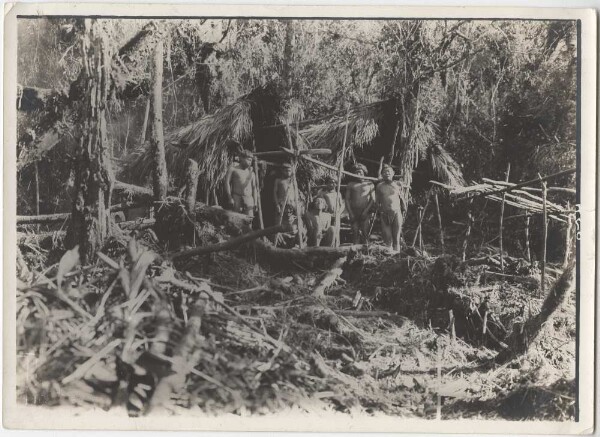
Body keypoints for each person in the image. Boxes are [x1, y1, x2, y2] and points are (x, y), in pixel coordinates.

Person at [375, 164, 405, 252]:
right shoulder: (379, 186)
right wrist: (380, 210)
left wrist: (404, 208)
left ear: (393, 173)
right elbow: (376, 200)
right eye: (384, 172)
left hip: (396, 212)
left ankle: (397, 256)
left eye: (389, 171)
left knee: (396, 238)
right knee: (387, 239)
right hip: (384, 213)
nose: (387, 173)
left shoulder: (397, 184)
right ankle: (389, 257)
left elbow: (402, 198)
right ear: (382, 175)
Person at [344, 163, 375, 244]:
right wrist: (350, 213)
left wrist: (366, 211)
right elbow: (347, 199)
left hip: (365, 213)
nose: (358, 174)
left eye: (360, 172)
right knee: (355, 233)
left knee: (365, 234)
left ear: (364, 173)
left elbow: (373, 199)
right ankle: (355, 253)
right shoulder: (351, 184)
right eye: (356, 172)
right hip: (354, 212)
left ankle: (366, 253)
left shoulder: (369, 184)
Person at [225, 150, 256, 217]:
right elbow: (227, 183)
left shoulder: (251, 173)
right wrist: (230, 198)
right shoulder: (233, 169)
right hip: (236, 196)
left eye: (251, 160)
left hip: (249, 198)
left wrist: (255, 202)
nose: (250, 162)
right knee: (235, 218)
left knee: (249, 219)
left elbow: (254, 188)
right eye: (248, 159)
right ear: (241, 158)